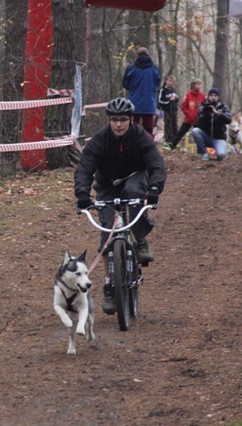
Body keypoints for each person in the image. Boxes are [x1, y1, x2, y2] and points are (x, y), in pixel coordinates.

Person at [74, 97, 166, 314]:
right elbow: (84, 169)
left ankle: (140, 239)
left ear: (130, 120)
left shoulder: (140, 137)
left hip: (135, 177)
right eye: (114, 120)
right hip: (107, 184)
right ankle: (109, 285)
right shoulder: (99, 140)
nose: (118, 124)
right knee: (107, 233)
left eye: (123, 120)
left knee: (134, 193)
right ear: (108, 120)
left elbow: (156, 165)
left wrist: (154, 190)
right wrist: (82, 195)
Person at [122, 47, 161, 138]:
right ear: (148, 54)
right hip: (149, 102)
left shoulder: (131, 67)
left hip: (134, 102)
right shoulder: (155, 67)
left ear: (137, 55)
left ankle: (132, 148)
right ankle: (148, 149)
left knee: (132, 128)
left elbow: (125, 84)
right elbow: (158, 82)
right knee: (148, 129)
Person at [191, 88, 232, 161]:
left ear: (218, 97)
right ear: (208, 96)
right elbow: (198, 124)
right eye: (211, 95)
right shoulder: (203, 107)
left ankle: (219, 152)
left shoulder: (223, 107)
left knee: (221, 155)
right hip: (206, 136)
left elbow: (228, 120)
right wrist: (205, 114)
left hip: (218, 138)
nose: (213, 97)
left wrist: (217, 114)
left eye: (215, 96)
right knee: (195, 131)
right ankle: (204, 153)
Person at [171, 79, 206, 150]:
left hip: (198, 120)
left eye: (200, 85)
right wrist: (188, 113)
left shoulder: (203, 96)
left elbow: (206, 107)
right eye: (197, 84)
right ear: (193, 85)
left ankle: (202, 149)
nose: (199, 86)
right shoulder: (188, 95)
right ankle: (172, 146)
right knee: (181, 133)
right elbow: (183, 106)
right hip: (189, 119)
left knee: (200, 135)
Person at [157, 75, 179, 147]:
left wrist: (176, 98)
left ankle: (174, 143)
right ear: (166, 81)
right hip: (167, 111)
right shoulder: (162, 90)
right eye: (170, 81)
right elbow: (160, 100)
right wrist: (169, 100)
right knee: (168, 127)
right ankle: (168, 143)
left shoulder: (174, 90)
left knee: (174, 126)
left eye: (173, 82)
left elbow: (176, 101)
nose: (171, 83)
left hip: (174, 111)